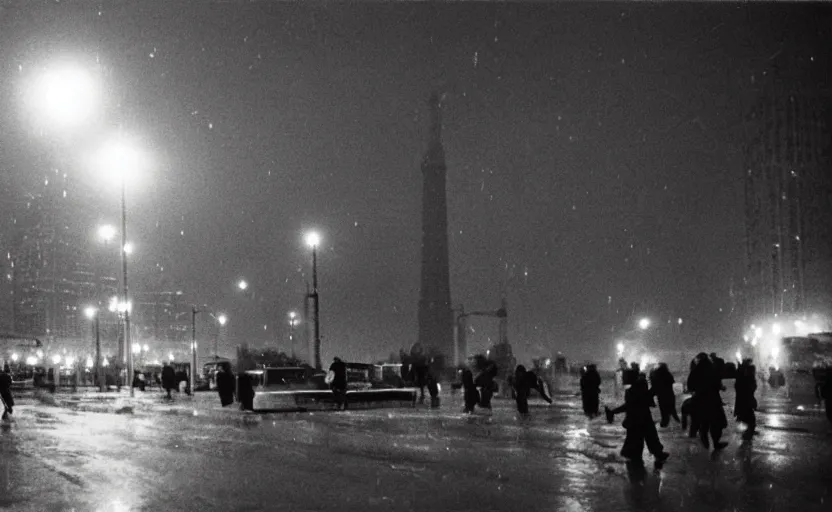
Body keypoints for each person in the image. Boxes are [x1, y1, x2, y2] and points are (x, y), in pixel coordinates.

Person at [605, 370, 669, 463]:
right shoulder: (636, 386)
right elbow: (641, 399)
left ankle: (639, 462)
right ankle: (655, 454)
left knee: (639, 440)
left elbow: (631, 404)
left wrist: (613, 412)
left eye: (624, 377)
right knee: (648, 438)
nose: (622, 379)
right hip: (640, 418)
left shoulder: (635, 387)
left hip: (637, 419)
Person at [687, 352, 728, 451]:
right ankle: (716, 442)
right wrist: (721, 388)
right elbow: (718, 384)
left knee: (704, 422)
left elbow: (690, 387)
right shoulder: (713, 370)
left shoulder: (694, 371)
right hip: (713, 400)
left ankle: (705, 441)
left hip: (700, 400)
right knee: (716, 423)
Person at [649, 363, 680, 427]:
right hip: (670, 395)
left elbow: (654, 387)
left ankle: (665, 423)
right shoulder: (667, 374)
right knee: (672, 409)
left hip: (661, 396)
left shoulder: (655, 375)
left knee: (664, 411)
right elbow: (672, 382)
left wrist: (650, 395)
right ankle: (677, 420)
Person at [734, 358, 758, 440]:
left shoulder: (742, 374)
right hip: (745, 400)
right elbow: (750, 388)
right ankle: (748, 432)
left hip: (744, 400)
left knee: (746, 416)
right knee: (748, 416)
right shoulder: (745, 375)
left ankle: (748, 431)